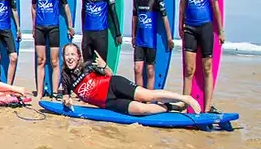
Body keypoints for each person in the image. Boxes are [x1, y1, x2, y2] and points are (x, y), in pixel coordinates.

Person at [59, 43, 201, 115]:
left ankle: (186, 98)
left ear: (78, 56)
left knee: (147, 95)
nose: (70, 58)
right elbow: (66, 95)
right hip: (108, 103)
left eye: (72, 54)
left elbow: (110, 74)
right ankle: (170, 107)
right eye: (67, 55)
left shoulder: (88, 65)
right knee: (141, 110)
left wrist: (104, 66)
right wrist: (66, 101)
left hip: (114, 85)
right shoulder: (66, 76)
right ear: (64, 58)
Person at [179, 0, 225, 109]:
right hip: (189, 27)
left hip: (205, 26)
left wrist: (220, 30)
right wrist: (180, 24)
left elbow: (215, 5)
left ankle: (206, 108)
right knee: (189, 69)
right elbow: (182, 2)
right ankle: (185, 106)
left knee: (207, 68)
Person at [30, 0, 75, 98]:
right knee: (40, 60)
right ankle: (40, 93)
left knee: (55, 61)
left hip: (53, 26)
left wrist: (70, 25)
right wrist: (33, 26)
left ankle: (55, 92)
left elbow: (65, 6)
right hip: (39, 28)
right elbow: (33, 7)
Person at [132, 0, 173, 89]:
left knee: (150, 71)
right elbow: (134, 17)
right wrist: (133, 36)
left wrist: (169, 38)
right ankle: (139, 98)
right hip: (140, 39)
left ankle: (148, 101)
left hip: (150, 40)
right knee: (137, 69)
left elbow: (164, 17)